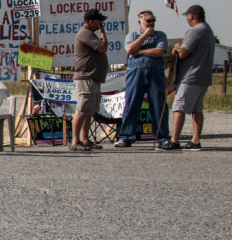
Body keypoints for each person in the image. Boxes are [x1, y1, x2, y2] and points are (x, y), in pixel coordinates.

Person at [162, 4, 216, 151]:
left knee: (178, 107)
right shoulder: (208, 30)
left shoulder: (195, 31)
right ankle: (195, 140)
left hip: (190, 76)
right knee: (197, 109)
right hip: (203, 77)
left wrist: (177, 47)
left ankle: (174, 140)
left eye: (187, 16)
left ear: (191, 16)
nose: (186, 18)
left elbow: (183, 53)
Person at [114, 9, 170, 147]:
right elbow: (129, 49)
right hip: (136, 73)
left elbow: (159, 51)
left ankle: (162, 137)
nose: (151, 23)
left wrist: (139, 51)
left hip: (155, 72)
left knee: (158, 103)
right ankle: (126, 136)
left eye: (153, 21)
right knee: (132, 103)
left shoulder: (160, 35)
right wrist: (144, 36)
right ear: (140, 22)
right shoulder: (132, 35)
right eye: (148, 21)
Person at [71, 8, 109, 151]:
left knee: (89, 111)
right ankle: (75, 141)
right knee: (82, 109)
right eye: (99, 21)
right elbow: (102, 48)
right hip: (86, 77)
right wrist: (103, 34)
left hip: (93, 77)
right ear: (91, 21)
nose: (100, 24)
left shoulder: (90, 34)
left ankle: (85, 139)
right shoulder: (85, 33)